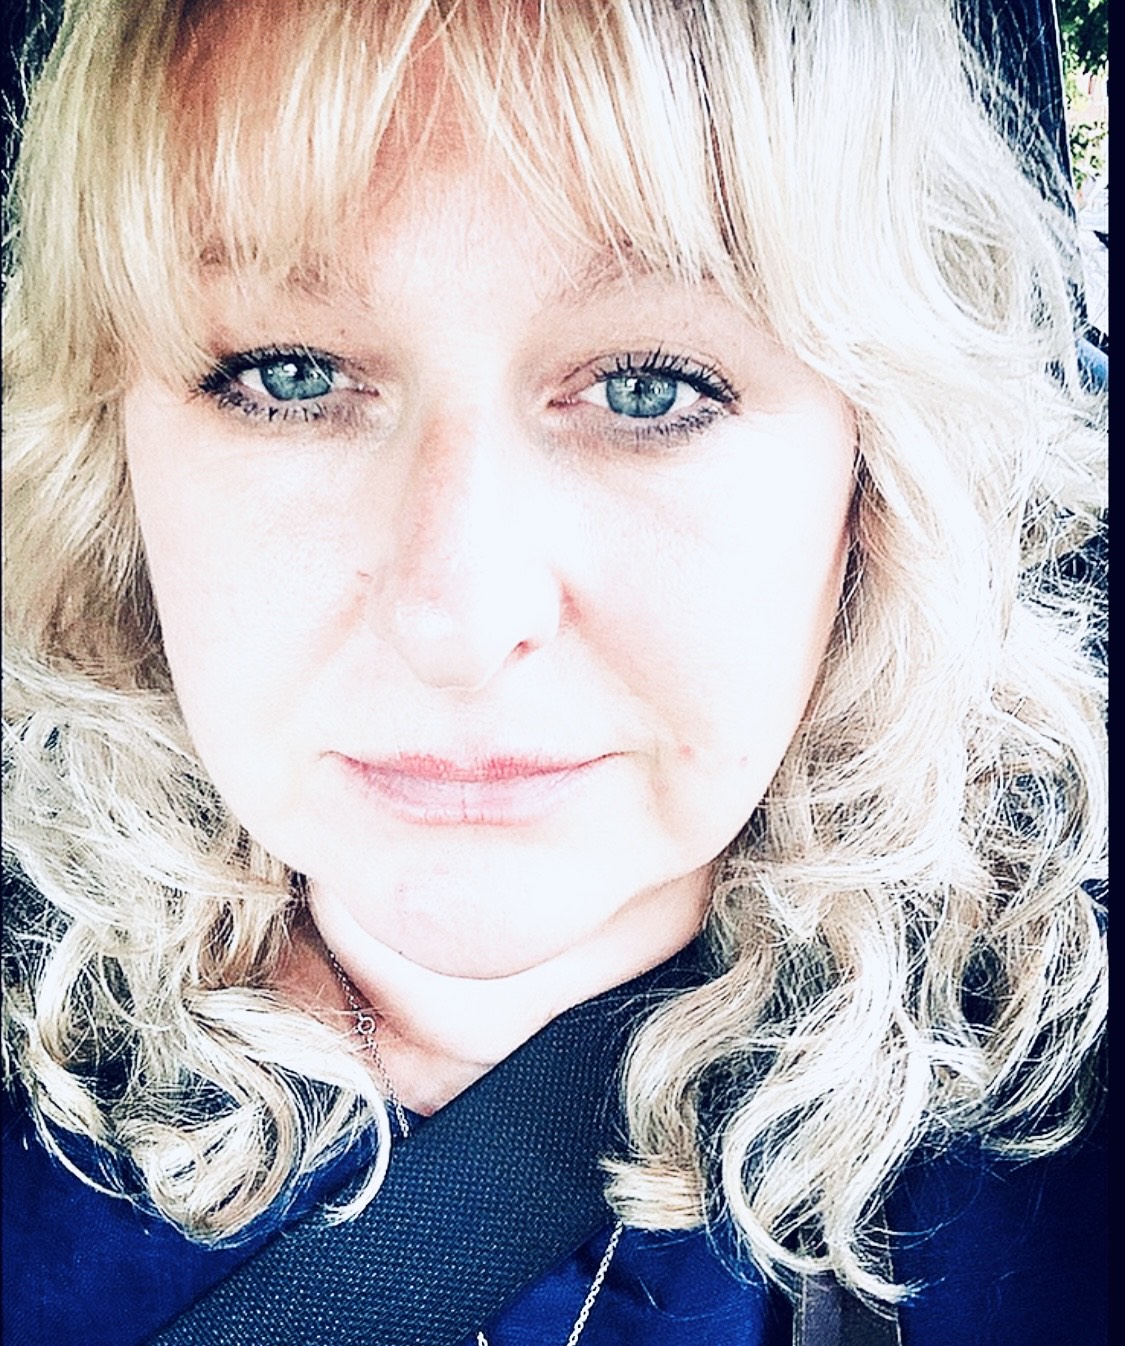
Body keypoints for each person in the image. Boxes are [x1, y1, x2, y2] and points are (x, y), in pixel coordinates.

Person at [2, 2, 1107, 1344]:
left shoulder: (1056, 1183)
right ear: (113, 462)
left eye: (649, 386)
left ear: (872, 478)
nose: (454, 617)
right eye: (286, 374)